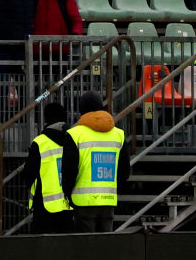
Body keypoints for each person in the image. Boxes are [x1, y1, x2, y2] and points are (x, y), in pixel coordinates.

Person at [66, 91, 124, 233]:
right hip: (108, 201)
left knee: (86, 249)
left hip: (83, 203)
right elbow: (124, 172)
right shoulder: (118, 134)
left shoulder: (75, 134)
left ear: (81, 109)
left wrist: (67, 193)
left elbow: (69, 170)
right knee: (106, 248)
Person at [28, 100, 78, 234]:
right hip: (72, 205)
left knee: (43, 251)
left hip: (44, 207)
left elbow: (28, 175)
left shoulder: (39, 142)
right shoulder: (76, 139)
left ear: (46, 119)